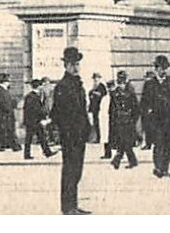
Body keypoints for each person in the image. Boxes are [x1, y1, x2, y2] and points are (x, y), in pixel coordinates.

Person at [50, 46, 91, 215]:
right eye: (72, 64)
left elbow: (82, 109)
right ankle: (67, 207)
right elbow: (57, 113)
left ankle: (73, 205)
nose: (76, 67)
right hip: (70, 135)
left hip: (80, 133)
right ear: (65, 65)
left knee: (77, 170)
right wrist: (64, 133)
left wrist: (87, 128)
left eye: (78, 64)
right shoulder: (62, 86)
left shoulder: (78, 84)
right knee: (70, 170)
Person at [140, 55, 170, 179]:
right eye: (160, 68)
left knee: (167, 144)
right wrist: (147, 111)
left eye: (164, 68)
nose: (162, 70)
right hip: (155, 119)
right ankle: (158, 167)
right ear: (156, 69)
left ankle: (165, 169)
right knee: (158, 143)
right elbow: (143, 102)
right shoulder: (149, 84)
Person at [107, 71, 140, 169]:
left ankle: (118, 160)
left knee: (125, 141)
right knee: (123, 141)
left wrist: (133, 120)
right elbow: (113, 106)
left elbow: (135, 107)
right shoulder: (117, 91)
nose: (120, 83)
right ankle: (128, 160)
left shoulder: (130, 90)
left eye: (122, 81)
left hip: (128, 120)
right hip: (119, 120)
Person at [23, 78, 55, 158]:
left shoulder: (29, 96)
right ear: (39, 86)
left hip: (31, 120)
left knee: (38, 137)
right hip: (34, 120)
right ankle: (46, 152)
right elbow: (36, 109)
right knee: (36, 137)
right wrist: (43, 116)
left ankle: (46, 152)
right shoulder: (33, 97)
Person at [87, 73, 108, 146]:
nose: (95, 79)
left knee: (100, 124)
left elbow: (103, 94)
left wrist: (94, 93)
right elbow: (90, 96)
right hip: (94, 108)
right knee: (95, 123)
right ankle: (97, 137)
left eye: (97, 78)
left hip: (100, 108)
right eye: (94, 78)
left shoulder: (101, 86)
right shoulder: (94, 87)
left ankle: (100, 138)